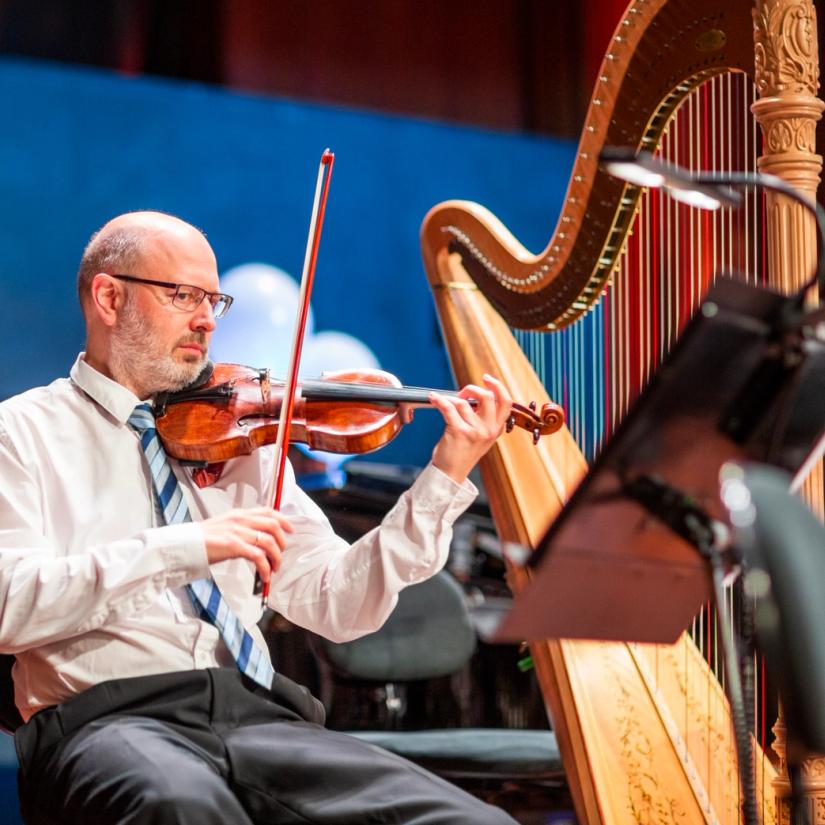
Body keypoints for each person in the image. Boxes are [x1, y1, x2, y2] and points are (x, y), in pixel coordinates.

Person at [0, 211, 519, 824]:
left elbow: (340, 605)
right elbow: (11, 606)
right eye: (183, 295)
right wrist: (186, 546)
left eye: (213, 300)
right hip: (106, 723)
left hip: (258, 717)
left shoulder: (243, 442)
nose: (205, 319)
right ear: (110, 298)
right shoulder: (21, 433)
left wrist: (447, 472)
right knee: (182, 808)